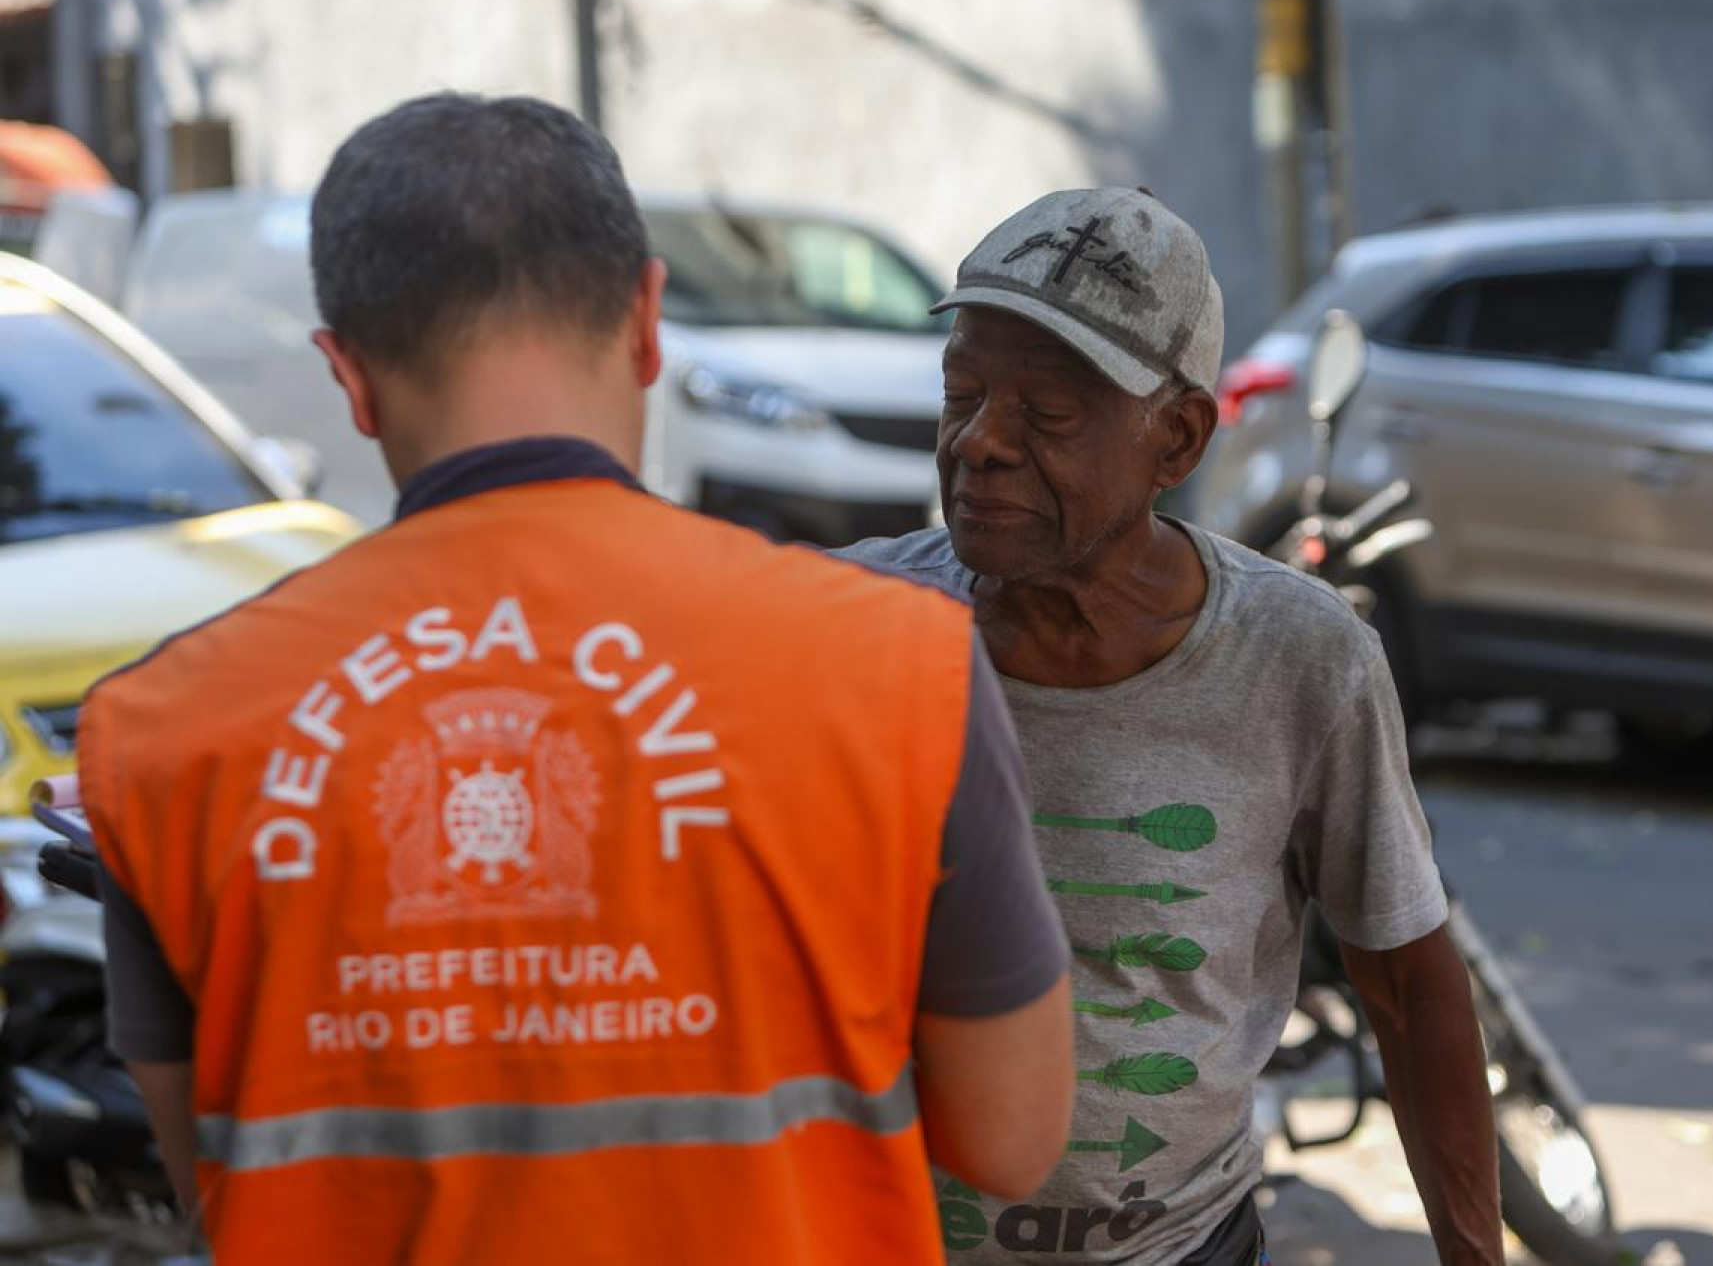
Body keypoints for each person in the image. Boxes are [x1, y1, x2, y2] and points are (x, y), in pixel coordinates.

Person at [76, 93, 1075, 1263]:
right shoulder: (897, 664)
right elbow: (1011, 1136)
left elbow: (219, 1180)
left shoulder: (160, 731)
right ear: (649, 322)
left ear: (347, 372)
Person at [844, 188, 1502, 1264]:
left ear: (1179, 438)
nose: (981, 443)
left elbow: (1409, 982)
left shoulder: (1297, 658)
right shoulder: (844, 627)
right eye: (961, 392)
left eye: (1047, 416)